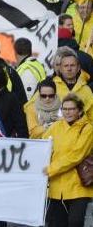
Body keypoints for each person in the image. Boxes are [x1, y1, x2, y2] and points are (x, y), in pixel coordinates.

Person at [43, 93, 93, 227]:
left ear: (80, 110)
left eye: (71, 109)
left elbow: (76, 156)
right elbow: (42, 147)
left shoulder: (87, 128)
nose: (67, 112)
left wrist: (50, 169)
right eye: (64, 109)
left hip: (78, 187)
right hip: (56, 188)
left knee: (75, 222)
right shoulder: (55, 127)